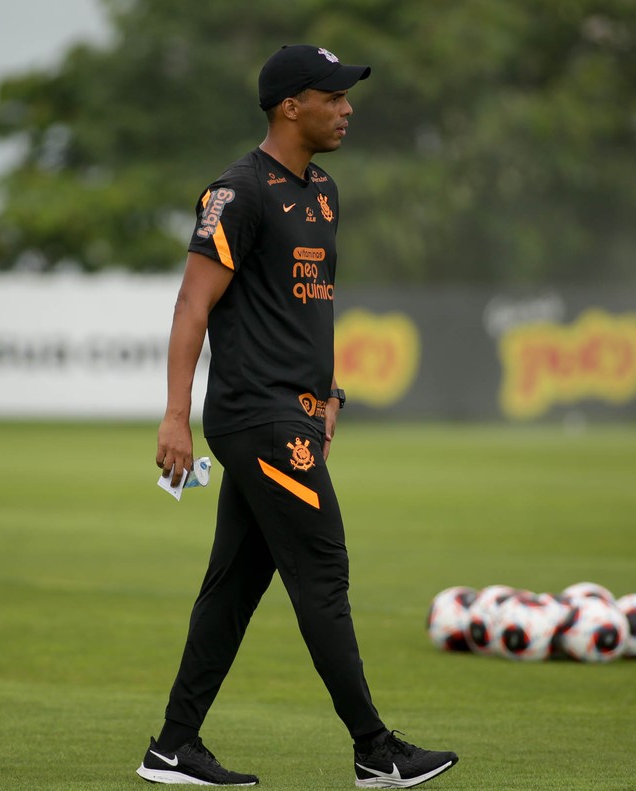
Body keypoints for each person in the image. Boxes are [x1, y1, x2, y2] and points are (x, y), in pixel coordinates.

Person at [136, 44, 459, 788]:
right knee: (323, 570)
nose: (347, 108)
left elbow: (302, 308)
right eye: (333, 95)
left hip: (295, 414)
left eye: (347, 96)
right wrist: (174, 415)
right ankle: (375, 750)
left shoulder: (323, 192)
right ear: (290, 105)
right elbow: (192, 303)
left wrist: (330, 391)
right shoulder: (238, 192)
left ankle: (173, 745)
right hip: (259, 416)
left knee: (235, 584)